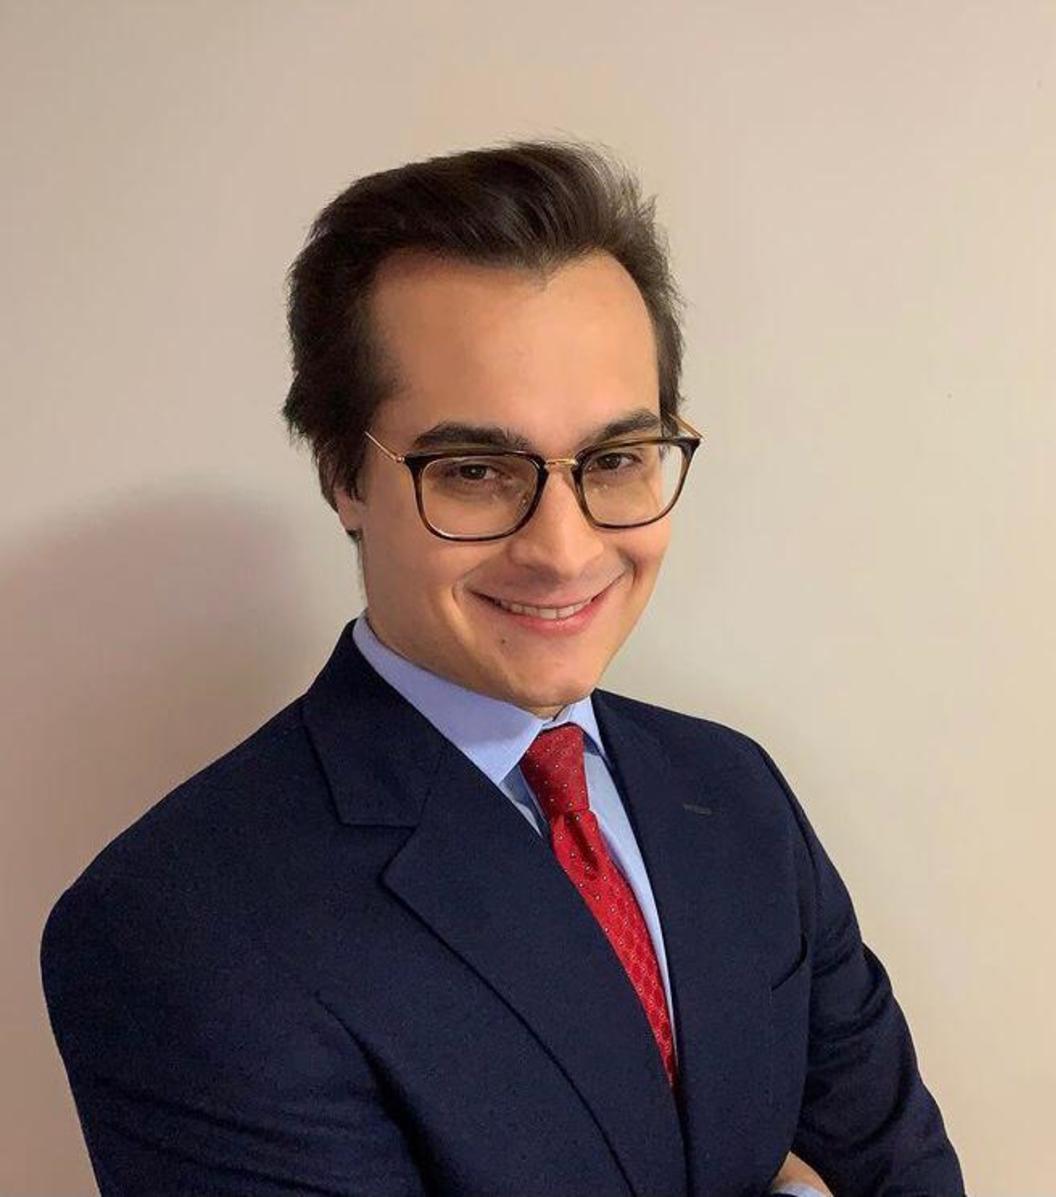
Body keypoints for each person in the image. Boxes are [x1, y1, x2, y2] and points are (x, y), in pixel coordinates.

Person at [40, 139, 964, 1197]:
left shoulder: (733, 791)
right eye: (475, 471)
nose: (564, 550)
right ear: (343, 475)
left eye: (616, 459)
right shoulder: (177, 926)